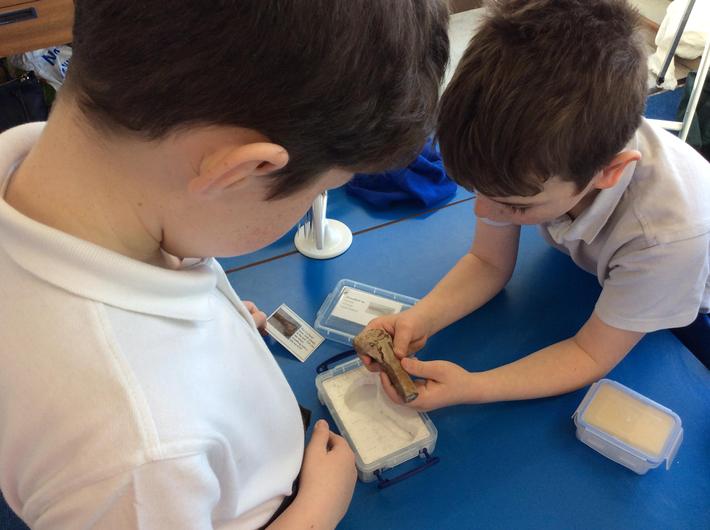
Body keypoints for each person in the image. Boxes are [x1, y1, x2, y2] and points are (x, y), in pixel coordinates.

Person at [0, 1, 449, 528]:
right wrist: (316, 510)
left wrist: (220, 323)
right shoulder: (141, 459)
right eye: (320, 191)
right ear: (242, 170)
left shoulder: (80, 192)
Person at [364, 0, 710, 412]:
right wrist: (419, 319)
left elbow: (589, 354)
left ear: (608, 173)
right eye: (476, 191)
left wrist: (473, 387)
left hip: (682, 299)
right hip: (599, 264)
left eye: (515, 207)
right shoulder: (530, 162)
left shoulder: (666, 240)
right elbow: (488, 262)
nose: (483, 212)